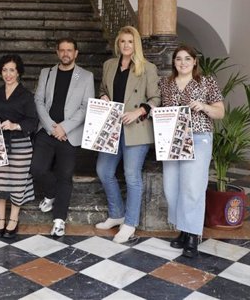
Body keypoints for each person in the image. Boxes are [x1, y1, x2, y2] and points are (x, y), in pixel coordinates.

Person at [95, 26, 161, 243]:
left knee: (132, 175)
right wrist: (104, 96)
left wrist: (138, 111)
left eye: (130, 42)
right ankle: (117, 214)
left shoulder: (147, 68)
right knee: (104, 170)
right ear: (118, 43)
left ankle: (130, 223)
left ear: (136, 45)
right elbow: (103, 88)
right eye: (122, 41)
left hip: (136, 128)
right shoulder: (109, 65)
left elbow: (155, 98)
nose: (126, 45)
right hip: (112, 127)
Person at [159, 45, 224, 257]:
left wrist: (204, 107)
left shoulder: (206, 82)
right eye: (179, 59)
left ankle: (193, 235)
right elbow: (161, 108)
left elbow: (220, 112)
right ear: (174, 62)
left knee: (193, 188)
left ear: (195, 61)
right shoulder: (165, 83)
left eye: (188, 59)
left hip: (199, 137)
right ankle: (183, 228)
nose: (183, 62)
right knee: (171, 188)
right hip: (172, 138)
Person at [32, 38, 94, 237]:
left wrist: (65, 128)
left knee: (65, 176)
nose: (66, 53)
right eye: (62, 50)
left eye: (70, 50)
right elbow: (38, 100)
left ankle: (59, 220)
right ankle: (50, 193)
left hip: (70, 134)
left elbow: (86, 106)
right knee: (37, 169)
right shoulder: (46, 73)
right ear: (57, 52)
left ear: (76, 53)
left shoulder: (86, 76)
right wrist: (52, 127)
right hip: (47, 131)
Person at [0, 54, 38, 239]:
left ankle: (13, 219)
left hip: (20, 145)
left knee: (17, 183)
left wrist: (15, 125)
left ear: (18, 72)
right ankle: (0, 219)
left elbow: (33, 121)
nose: (8, 74)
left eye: (12, 70)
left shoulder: (26, 95)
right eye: (5, 70)